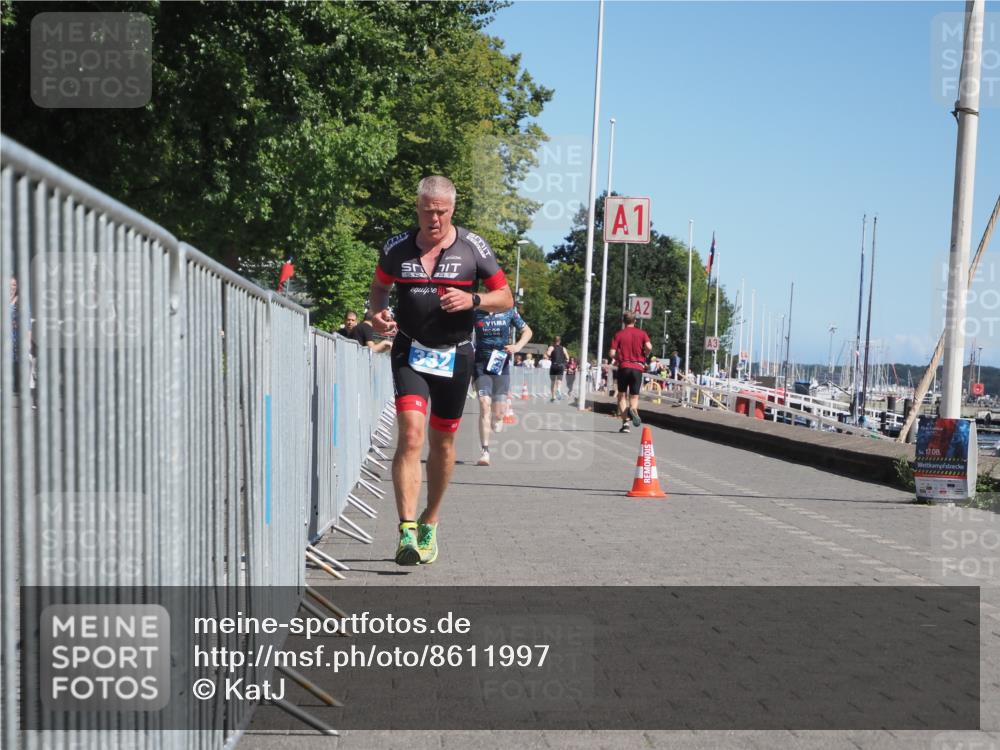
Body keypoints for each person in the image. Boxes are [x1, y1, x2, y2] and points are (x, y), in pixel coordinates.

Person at [369, 176, 513, 566]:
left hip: (456, 354)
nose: (434, 219)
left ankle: (431, 519)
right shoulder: (396, 248)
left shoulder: (473, 248)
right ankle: (406, 531)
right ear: (417, 208)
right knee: (411, 435)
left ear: (453, 209)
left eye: (442, 212)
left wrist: (474, 298)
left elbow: (506, 297)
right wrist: (376, 314)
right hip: (410, 349)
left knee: (442, 444)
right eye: (427, 211)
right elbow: (379, 288)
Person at [472, 306, 533, 466]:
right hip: (480, 364)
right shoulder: (475, 312)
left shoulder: (509, 311)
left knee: (498, 414)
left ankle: (496, 417)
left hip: (501, 363)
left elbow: (527, 331)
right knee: (484, 404)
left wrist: (517, 347)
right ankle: (485, 451)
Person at [609, 311, 652, 433]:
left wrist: (619, 359)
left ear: (623, 321)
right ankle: (633, 409)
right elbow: (649, 347)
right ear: (635, 321)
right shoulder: (642, 333)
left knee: (621, 395)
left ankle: (625, 424)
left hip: (624, 367)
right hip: (638, 367)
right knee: (634, 396)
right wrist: (645, 355)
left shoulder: (619, 334)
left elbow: (612, 353)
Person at [545, 335, 569, 401]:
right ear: (560, 341)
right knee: (559, 381)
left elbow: (548, 354)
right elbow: (567, 357)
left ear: (553, 341)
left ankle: (553, 396)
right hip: (561, 366)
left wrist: (549, 355)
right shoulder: (563, 348)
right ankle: (558, 389)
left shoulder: (551, 347)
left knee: (553, 382)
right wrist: (565, 361)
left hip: (554, 365)